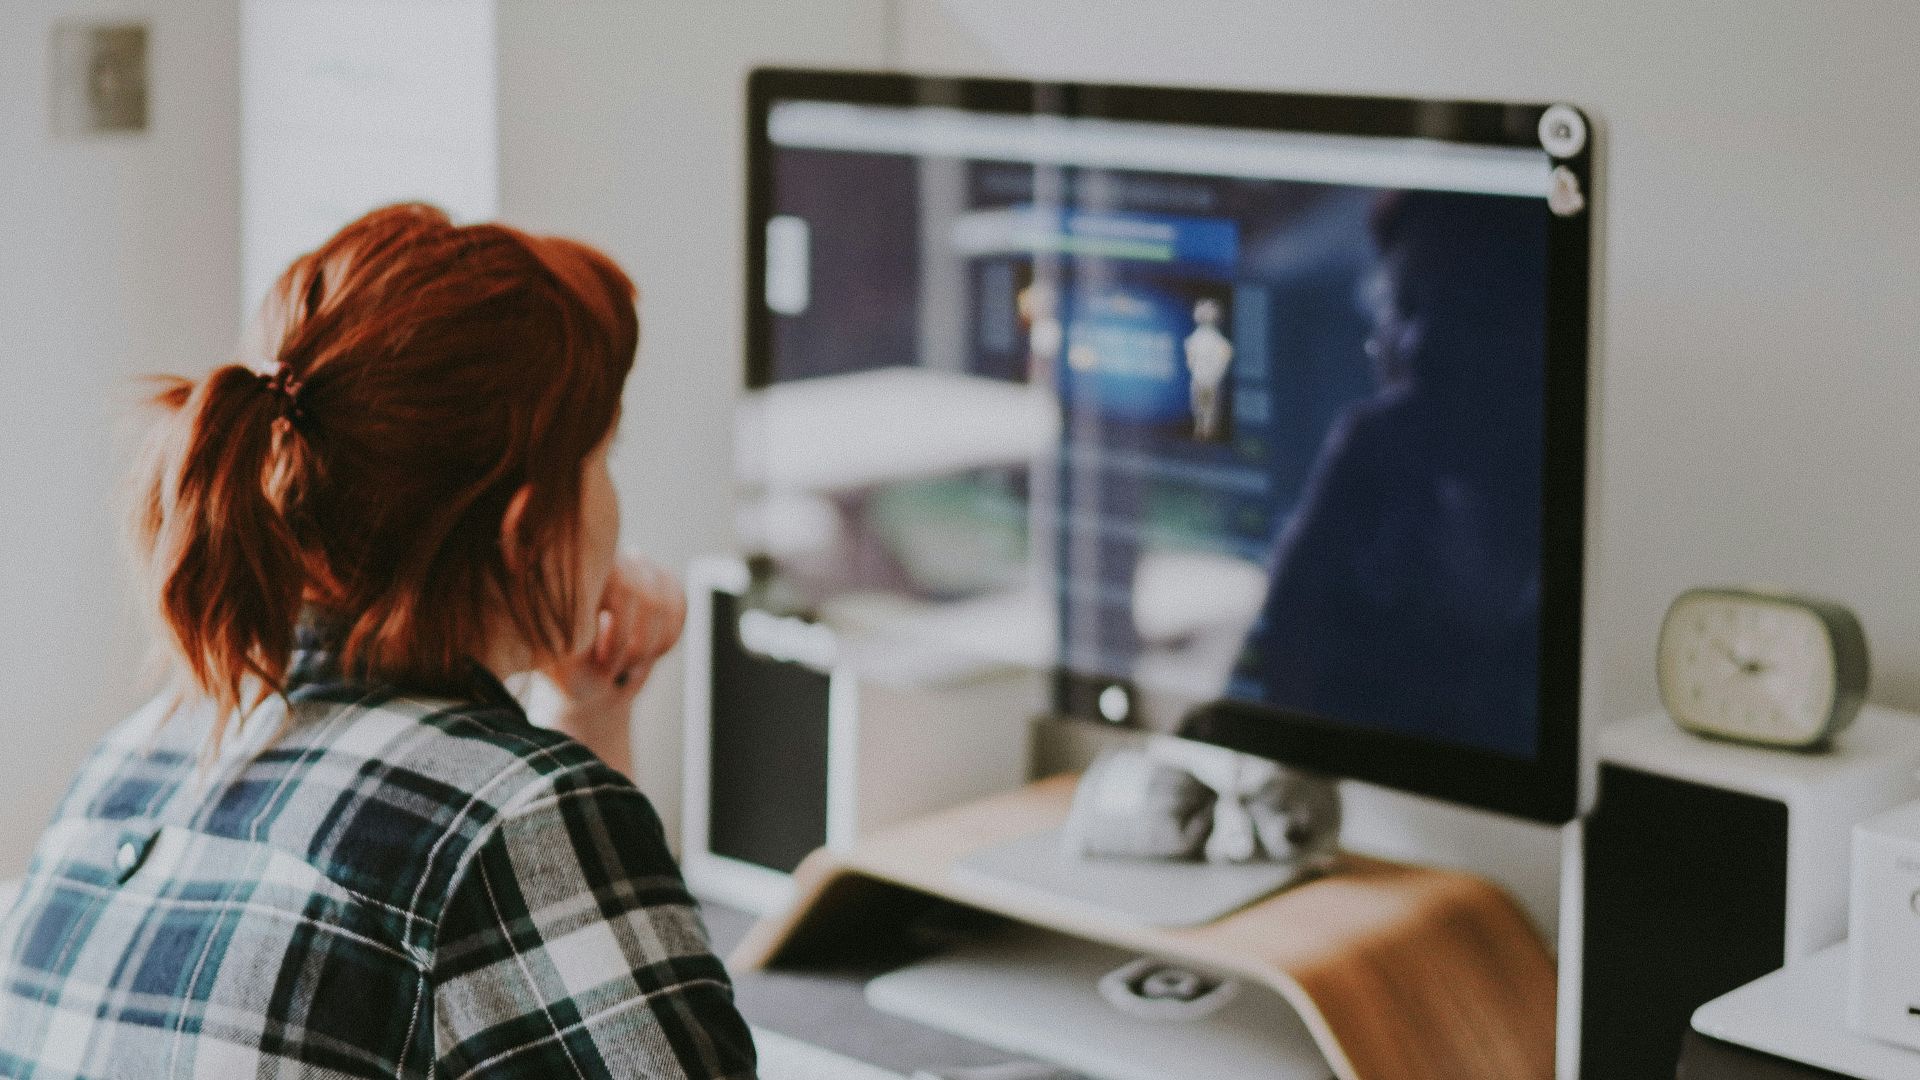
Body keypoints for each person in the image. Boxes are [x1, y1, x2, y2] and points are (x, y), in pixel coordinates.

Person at [0, 204, 758, 1078]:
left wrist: (591, 707)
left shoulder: (127, 765)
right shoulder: (509, 820)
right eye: (603, 456)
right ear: (528, 529)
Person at [1224, 190, 1548, 754]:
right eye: (1405, 305)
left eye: (1467, 311)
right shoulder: (1368, 484)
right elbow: (1255, 703)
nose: (1422, 343)